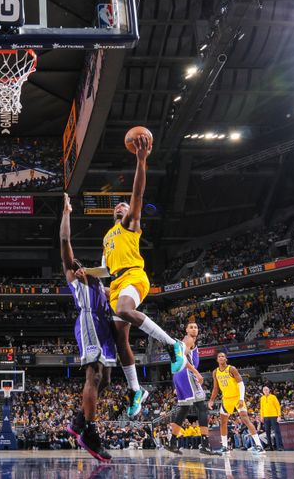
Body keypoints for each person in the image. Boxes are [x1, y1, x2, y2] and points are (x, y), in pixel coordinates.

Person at [89, 134, 180, 418]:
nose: (121, 206)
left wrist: (141, 161)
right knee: (120, 342)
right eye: (117, 206)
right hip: (116, 281)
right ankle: (136, 390)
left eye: (124, 206)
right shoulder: (107, 236)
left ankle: (172, 344)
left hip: (134, 276)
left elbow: (137, 194)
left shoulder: (131, 225)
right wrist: (85, 274)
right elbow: (104, 270)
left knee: (124, 309)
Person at [60, 194, 118, 462]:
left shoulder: (100, 285)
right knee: (93, 376)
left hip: (104, 326)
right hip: (88, 320)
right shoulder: (77, 279)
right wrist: (67, 213)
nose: (81, 267)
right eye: (78, 266)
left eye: (84, 266)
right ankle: (90, 432)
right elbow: (64, 242)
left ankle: (79, 420)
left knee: (105, 379)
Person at [164, 322, 219, 455]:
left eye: (196, 327)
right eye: (191, 327)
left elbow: (176, 359)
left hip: (179, 375)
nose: (194, 329)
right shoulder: (188, 340)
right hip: (186, 374)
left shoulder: (186, 341)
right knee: (201, 406)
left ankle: (172, 443)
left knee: (184, 408)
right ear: (187, 330)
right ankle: (205, 445)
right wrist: (196, 372)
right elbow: (181, 358)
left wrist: (177, 384)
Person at [209, 352, 264, 454]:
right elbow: (216, 388)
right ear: (217, 360)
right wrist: (211, 400)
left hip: (237, 397)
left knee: (245, 419)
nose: (221, 358)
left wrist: (242, 399)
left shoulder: (231, 369)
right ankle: (225, 447)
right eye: (219, 356)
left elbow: (241, 384)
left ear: (226, 359)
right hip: (226, 399)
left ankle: (259, 445)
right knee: (223, 422)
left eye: (223, 356)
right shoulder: (215, 372)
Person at [259, 386, 283, 451]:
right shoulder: (262, 398)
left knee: (277, 432)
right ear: (263, 391)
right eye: (264, 390)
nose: (265, 391)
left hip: (274, 416)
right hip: (266, 417)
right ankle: (270, 447)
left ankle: (280, 447)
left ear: (269, 390)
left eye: (267, 390)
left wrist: (279, 416)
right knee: (267, 432)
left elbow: (278, 406)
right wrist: (261, 416)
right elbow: (262, 408)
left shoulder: (273, 397)